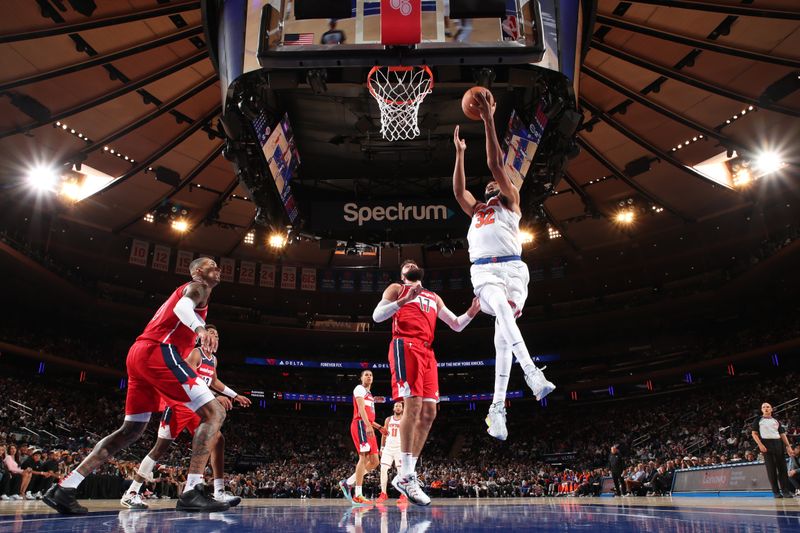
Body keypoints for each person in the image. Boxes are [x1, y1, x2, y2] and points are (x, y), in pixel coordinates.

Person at [44, 257, 229, 514]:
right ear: (198, 271)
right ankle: (192, 490)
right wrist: (200, 329)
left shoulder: (195, 292)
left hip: (139, 355)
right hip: (159, 351)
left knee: (131, 430)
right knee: (215, 413)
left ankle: (65, 488)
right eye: (211, 265)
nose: (217, 269)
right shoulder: (197, 287)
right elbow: (183, 310)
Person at [452, 92, 555, 441]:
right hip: (484, 272)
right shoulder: (478, 209)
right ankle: (531, 372)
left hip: (513, 270)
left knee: (501, 340)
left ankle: (496, 408)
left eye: (500, 181)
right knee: (501, 312)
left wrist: (488, 121)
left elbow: (498, 164)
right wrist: (460, 155)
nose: (495, 182)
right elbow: (458, 192)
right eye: (491, 184)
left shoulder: (511, 201)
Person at [372, 259, 481, 505]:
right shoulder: (396, 289)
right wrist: (403, 301)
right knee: (413, 405)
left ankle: (405, 475)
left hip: (427, 352)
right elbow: (377, 316)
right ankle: (407, 475)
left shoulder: (433, 296)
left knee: (430, 412)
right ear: (403, 274)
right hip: (405, 344)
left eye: (414, 262)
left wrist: (472, 312)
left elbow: (455, 324)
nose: (410, 264)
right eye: (405, 264)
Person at [121, 324, 251, 509]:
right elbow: (189, 380)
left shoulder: (212, 360)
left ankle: (219, 491)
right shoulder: (195, 352)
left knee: (218, 439)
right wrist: (214, 397)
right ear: (203, 337)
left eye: (217, 334)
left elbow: (213, 381)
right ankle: (132, 491)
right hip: (181, 404)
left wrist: (234, 395)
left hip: (197, 408)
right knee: (160, 449)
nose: (214, 336)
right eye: (211, 333)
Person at [339, 370, 386, 506]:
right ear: (361, 378)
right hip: (360, 424)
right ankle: (358, 494)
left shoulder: (370, 395)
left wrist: (378, 427)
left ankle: (347, 483)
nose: (369, 376)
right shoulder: (359, 388)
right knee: (363, 457)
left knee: (375, 461)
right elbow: (361, 410)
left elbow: (369, 416)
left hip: (367, 425)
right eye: (366, 374)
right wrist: (368, 426)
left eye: (371, 375)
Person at [751, 402, 795, 498]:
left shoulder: (776, 420)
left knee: (782, 469)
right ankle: (776, 492)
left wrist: (788, 446)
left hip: (778, 443)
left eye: (768, 407)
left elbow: (782, 434)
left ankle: (786, 491)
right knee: (771, 470)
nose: (766, 408)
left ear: (771, 409)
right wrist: (760, 444)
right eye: (763, 407)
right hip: (766, 445)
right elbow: (754, 434)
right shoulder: (758, 420)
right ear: (761, 410)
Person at [377, 401, 408, 504]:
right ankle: (383, 493)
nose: (398, 407)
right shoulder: (388, 419)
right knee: (383, 469)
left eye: (400, 406)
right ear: (393, 408)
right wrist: (382, 447)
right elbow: (384, 434)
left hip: (400, 448)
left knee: (401, 472)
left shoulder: (405, 419)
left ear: (402, 409)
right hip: (388, 448)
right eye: (396, 406)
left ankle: (403, 494)